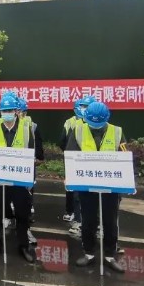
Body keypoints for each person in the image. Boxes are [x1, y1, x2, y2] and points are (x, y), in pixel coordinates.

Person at [67, 101, 128, 273]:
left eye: (99, 123)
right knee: (88, 220)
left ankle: (110, 255)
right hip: (87, 184)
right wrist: (70, 177)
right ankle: (89, 253)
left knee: (110, 221)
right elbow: (70, 156)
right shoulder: (78, 130)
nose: (95, 126)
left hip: (110, 185)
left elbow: (124, 158)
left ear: (106, 118)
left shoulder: (117, 132)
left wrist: (126, 182)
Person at [0, 94, 36, 263]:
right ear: (0, 111)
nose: (7, 113)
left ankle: (23, 246)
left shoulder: (26, 129)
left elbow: (31, 155)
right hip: (0, 179)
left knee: (22, 214)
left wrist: (30, 180)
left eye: (9, 110)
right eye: (4, 110)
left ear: (16, 111)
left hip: (20, 180)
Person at [60, 96, 94, 235]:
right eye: (82, 106)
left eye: (87, 106)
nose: (84, 109)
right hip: (78, 166)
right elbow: (66, 146)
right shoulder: (76, 127)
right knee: (78, 195)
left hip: (96, 170)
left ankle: (95, 224)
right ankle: (79, 222)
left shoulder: (108, 129)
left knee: (95, 198)